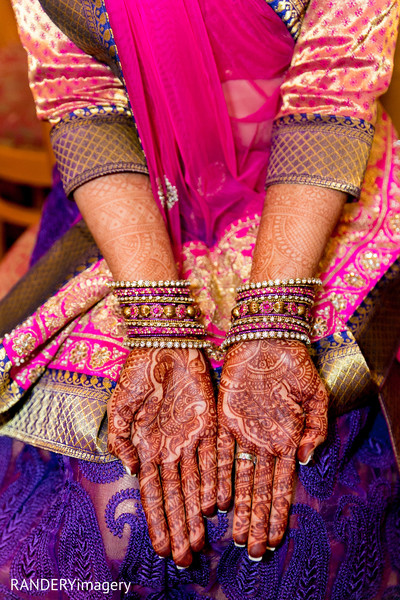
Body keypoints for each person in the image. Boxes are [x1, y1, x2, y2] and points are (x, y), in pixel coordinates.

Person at [0, 0, 399, 597]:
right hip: (134, 181)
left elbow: (332, 85)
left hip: (313, 173)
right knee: (93, 503)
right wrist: (159, 324)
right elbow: (82, 94)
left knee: (301, 507)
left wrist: (273, 324)